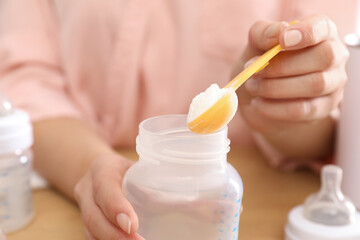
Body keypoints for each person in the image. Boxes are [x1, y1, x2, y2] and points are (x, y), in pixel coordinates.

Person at [0, 0, 357, 239]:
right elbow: (27, 81)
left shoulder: (228, 187)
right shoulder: (136, 185)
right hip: (74, 181)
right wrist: (88, 165)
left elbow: (332, 117)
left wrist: (289, 105)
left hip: (268, 185)